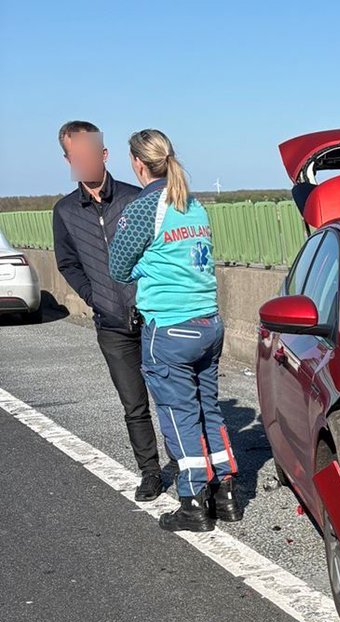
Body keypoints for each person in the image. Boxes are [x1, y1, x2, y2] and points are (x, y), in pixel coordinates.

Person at [108, 129, 241, 532]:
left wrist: (147, 266)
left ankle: (193, 502)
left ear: (137, 163)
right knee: (208, 409)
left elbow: (118, 267)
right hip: (209, 324)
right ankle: (226, 493)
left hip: (170, 328)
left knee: (178, 415)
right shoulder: (193, 203)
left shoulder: (144, 208)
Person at [52, 121, 174, 501]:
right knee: (134, 404)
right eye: (75, 156)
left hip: (152, 317)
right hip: (111, 325)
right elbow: (68, 263)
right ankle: (150, 472)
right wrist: (94, 297)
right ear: (68, 160)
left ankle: (186, 466)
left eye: (89, 153)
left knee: (170, 397)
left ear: (104, 154)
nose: (83, 161)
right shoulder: (65, 211)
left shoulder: (136, 199)